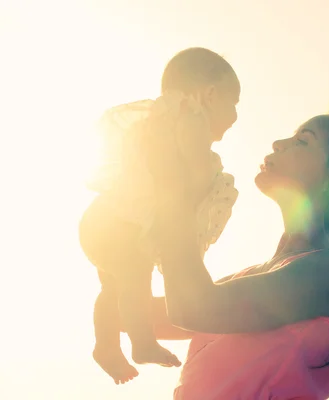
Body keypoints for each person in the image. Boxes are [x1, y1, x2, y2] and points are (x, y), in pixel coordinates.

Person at [141, 106, 329, 399]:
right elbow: (158, 315)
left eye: (303, 141)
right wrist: (116, 246)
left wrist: (173, 193)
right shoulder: (267, 272)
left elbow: (194, 308)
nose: (278, 144)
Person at [78, 47, 241, 384]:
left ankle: (105, 345)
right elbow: (191, 178)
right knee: (134, 275)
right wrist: (204, 181)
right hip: (122, 224)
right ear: (210, 95)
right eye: (233, 103)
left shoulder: (159, 116)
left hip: (104, 218)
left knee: (115, 287)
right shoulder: (190, 116)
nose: (236, 115)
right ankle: (142, 342)